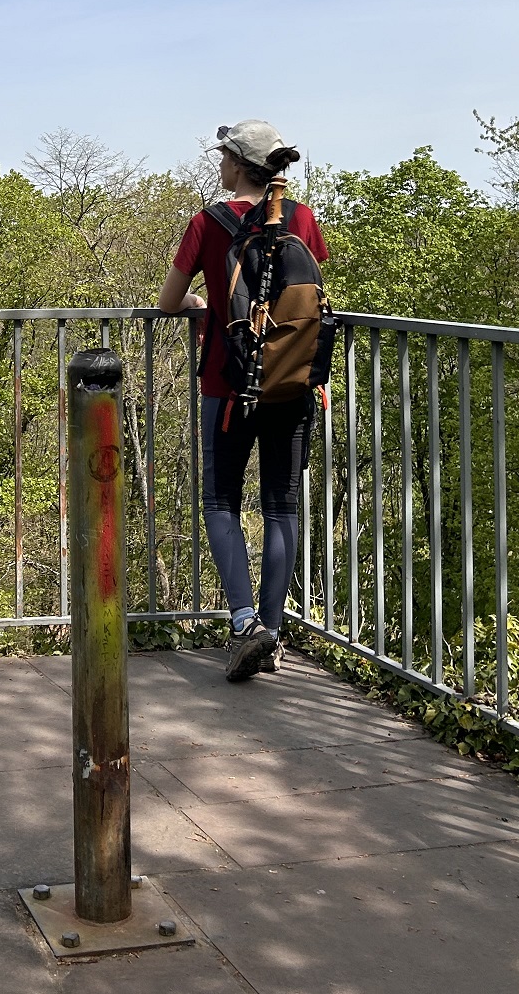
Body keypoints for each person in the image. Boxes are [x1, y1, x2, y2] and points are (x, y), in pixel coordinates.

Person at [158, 119, 328, 682]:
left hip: (226, 384)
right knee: (281, 506)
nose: (219, 162)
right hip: (290, 382)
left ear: (239, 163)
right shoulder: (299, 217)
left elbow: (168, 301)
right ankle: (274, 634)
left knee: (221, 502)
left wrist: (207, 303)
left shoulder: (208, 221)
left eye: (224, 154)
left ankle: (243, 623)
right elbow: (304, 294)